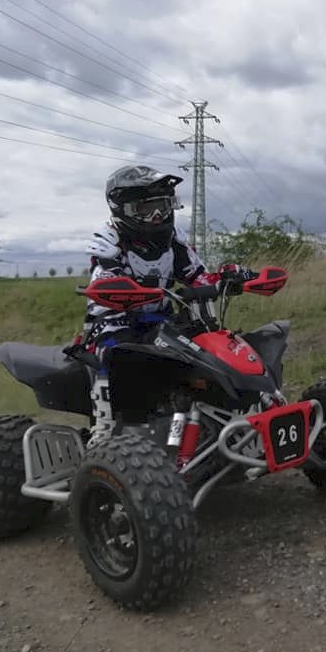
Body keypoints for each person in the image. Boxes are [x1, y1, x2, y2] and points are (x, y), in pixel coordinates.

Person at [74, 164, 240, 446]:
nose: (157, 216)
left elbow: (197, 276)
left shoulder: (173, 241)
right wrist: (123, 291)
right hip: (114, 322)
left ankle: (220, 416)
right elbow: (102, 281)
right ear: (122, 209)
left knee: (206, 345)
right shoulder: (110, 242)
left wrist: (226, 279)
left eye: (163, 207)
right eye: (145, 209)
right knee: (111, 352)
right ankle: (103, 430)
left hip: (162, 321)